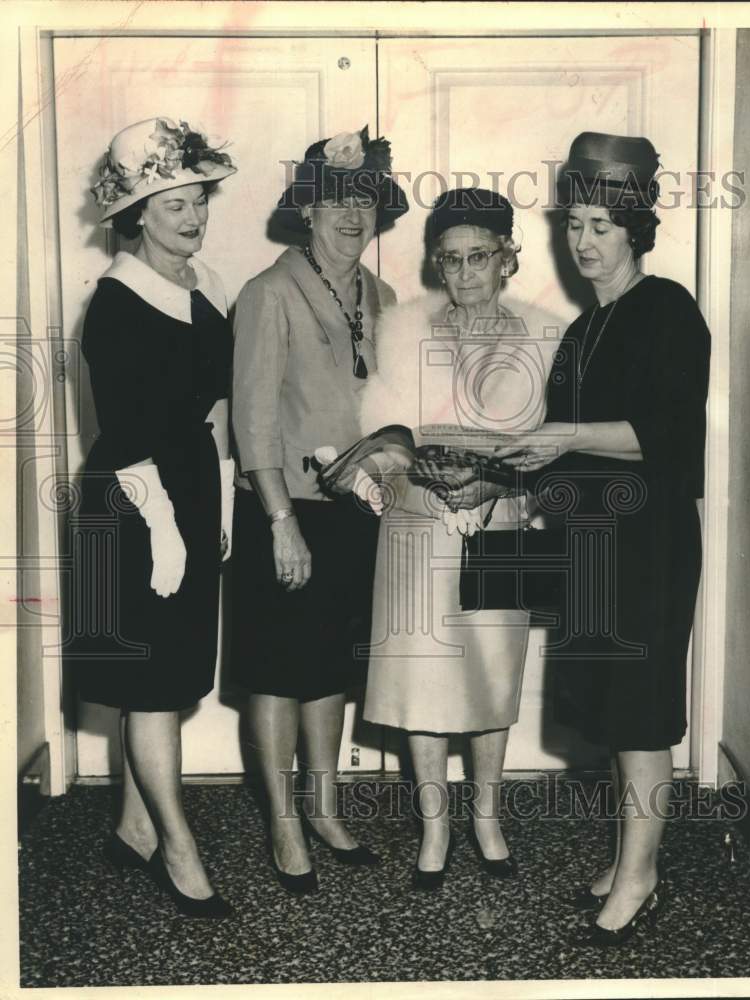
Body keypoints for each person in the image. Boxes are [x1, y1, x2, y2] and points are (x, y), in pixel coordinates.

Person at [496, 132, 711, 944]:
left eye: (599, 226)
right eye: (573, 225)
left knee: (642, 711)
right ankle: (628, 856)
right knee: (612, 710)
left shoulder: (666, 310)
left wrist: (561, 438)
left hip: (646, 543)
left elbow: (666, 434)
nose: (582, 241)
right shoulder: (583, 330)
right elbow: (559, 444)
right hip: (591, 542)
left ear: (634, 232)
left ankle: (641, 873)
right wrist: (496, 469)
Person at [358, 188, 562, 888]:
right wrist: (416, 469)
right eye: (449, 260)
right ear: (434, 265)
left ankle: (486, 817)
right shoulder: (403, 331)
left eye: (479, 256)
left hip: (499, 526)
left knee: (490, 675)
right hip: (418, 525)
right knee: (420, 680)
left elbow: (554, 450)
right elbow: (379, 439)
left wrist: (499, 486)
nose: (464, 272)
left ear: (508, 257)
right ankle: (433, 829)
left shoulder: (544, 337)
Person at [230, 127, 408, 893]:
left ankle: (326, 807)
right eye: (334, 199)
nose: (350, 214)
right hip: (286, 509)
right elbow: (252, 418)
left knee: (329, 667)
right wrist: (279, 522)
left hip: (357, 512)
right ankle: (282, 822)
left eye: (364, 200)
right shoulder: (268, 292)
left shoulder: (385, 296)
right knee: (277, 670)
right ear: (306, 209)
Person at [68, 117, 237, 917]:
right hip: (133, 502)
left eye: (198, 198)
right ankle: (178, 848)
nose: (193, 215)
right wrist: (166, 528)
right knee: (152, 689)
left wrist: (225, 495)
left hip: (189, 488)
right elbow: (127, 431)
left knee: (164, 683)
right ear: (136, 214)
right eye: (173, 203)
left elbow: (211, 409)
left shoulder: (200, 285)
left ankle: (134, 827)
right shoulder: (116, 301)